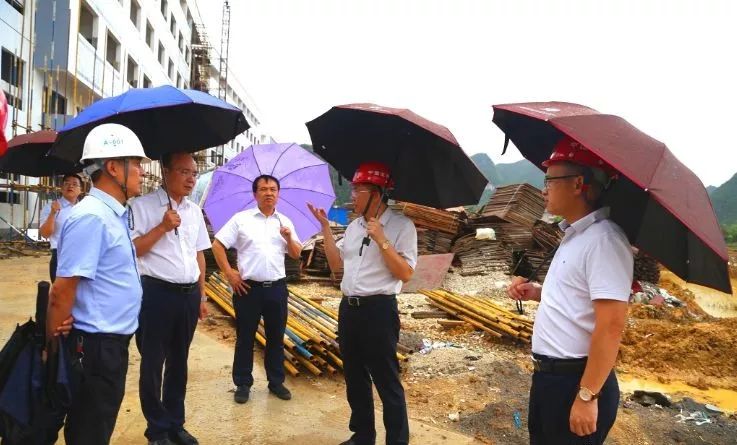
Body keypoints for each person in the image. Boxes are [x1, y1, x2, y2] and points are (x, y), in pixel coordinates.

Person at [507, 136, 633, 445]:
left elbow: (612, 325)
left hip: (576, 380)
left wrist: (588, 396)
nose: (543, 189)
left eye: (550, 180)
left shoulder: (604, 241)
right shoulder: (575, 235)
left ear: (578, 184)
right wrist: (535, 292)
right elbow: (577, 299)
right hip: (549, 378)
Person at [46, 123, 148, 445]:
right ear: (114, 168)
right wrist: (52, 350)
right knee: (90, 432)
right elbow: (61, 290)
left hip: (110, 345)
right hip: (96, 348)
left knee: (97, 426)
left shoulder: (113, 214)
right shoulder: (92, 216)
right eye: (138, 164)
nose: (143, 173)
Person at [307, 161, 417, 445]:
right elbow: (335, 265)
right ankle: (363, 435)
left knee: (386, 380)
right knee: (355, 376)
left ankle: (397, 440)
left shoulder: (402, 226)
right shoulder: (355, 227)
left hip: (379, 311)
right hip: (350, 309)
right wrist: (326, 230)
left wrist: (381, 239)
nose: (353, 195)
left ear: (376, 194)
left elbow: (405, 273)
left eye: (358, 190)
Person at [130, 152, 211, 445]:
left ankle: (176, 423)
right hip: (156, 294)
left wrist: (202, 294)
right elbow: (133, 250)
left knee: (180, 361)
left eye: (194, 173)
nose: (191, 178)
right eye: (184, 172)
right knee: (153, 363)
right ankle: (157, 429)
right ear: (165, 172)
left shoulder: (193, 211)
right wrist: (162, 227)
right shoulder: (142, 206)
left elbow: (199, 253)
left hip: (188, 295)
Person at [211, 174, 302, 404]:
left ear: (278, 193)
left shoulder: (285, 222)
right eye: (263, 189)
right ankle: (243, 383)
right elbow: (217, 245)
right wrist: (230, 274)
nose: (269, 193)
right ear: (255, 194)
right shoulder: (241, 219)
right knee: (245, 337)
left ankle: (276, 382)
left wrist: (289, 238)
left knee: (275, 337)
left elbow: (296, 253)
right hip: (247, 289)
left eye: (273, 189)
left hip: (277, 289)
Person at [39, 173, 83, 281]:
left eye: (74, 184)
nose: (70, 186)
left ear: (80, 190)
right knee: (60, 295)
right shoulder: (51, 207)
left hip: (82, 254)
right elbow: (45, 234)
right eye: (66, 183)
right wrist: (53, 213)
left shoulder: (85, 208)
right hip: (60, 255)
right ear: (62, 188)